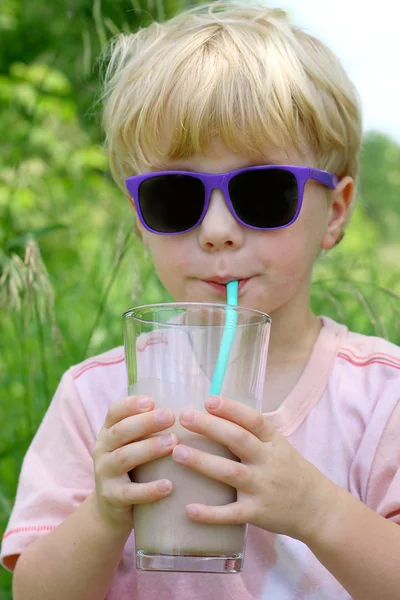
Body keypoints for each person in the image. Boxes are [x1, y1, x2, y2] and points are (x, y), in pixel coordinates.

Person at [2, 2, 400, 599]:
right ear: (139, 221)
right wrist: (106, 514)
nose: (216, 228)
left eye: (263, 192)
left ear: (335, 212)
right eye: (174, 197)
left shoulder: (380, 397)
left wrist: (318, 509)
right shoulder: (98, 400)